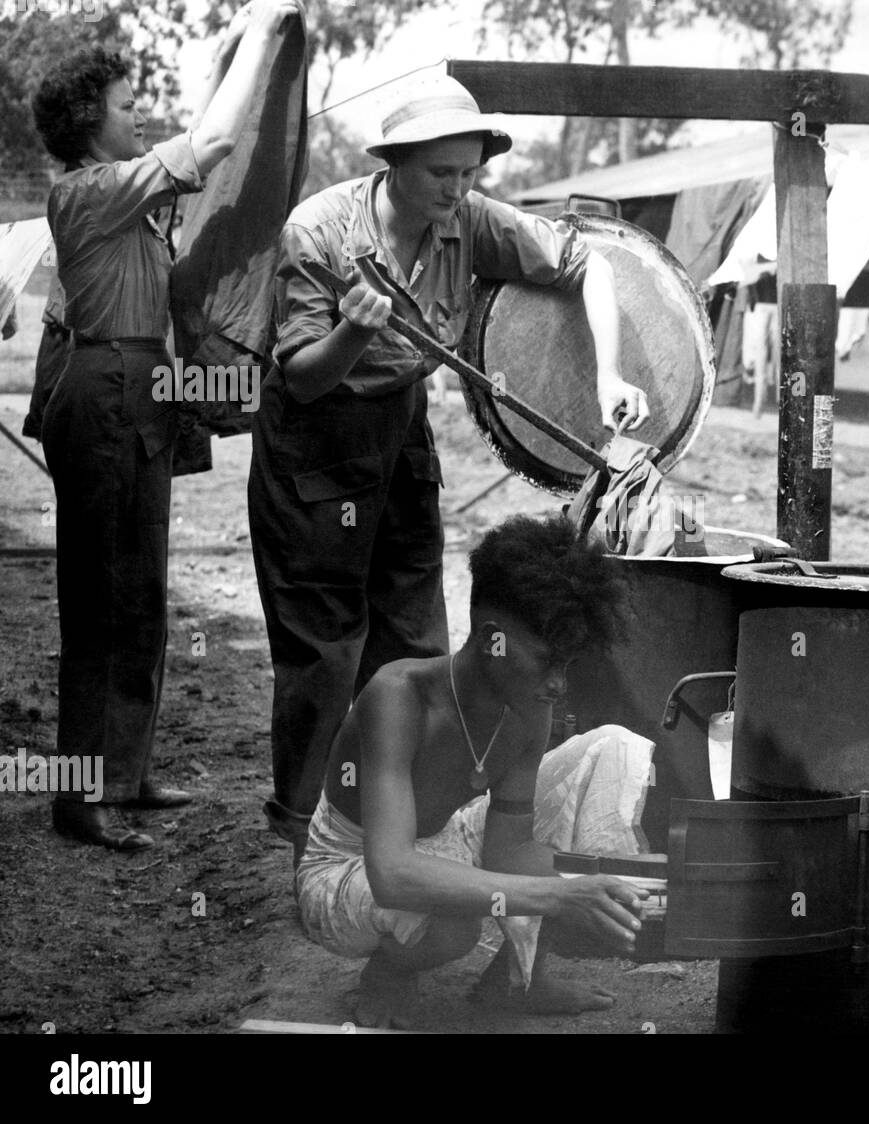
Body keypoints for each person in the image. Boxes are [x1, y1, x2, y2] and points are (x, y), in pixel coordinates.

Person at [249, 73, 651, 861]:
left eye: (470, 174)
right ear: (395, 163)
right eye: (442, 173)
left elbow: (587, 265)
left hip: (400, 430)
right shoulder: (318, 232)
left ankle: (411, 815)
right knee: (324, 650)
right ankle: (302, 828)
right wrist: (356, 333)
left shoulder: (467, 219)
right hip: (316, 438)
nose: (458, 189)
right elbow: (301, 375)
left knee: (414, 633)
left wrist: (609, 376)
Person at [32, 2, 300, 851]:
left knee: (140, 592)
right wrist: (260, 35)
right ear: (86, 122)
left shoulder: (130, 204)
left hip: (139, 389)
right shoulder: (85, 194)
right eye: (123, 104)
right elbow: (213, 144)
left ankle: (125, 774)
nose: (138, 113)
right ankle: (78, 797)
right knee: (100, 600)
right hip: (105, 390)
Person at [296, 514, 655, 1028]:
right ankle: (390, 968)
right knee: (456, 925)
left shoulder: (530, 709)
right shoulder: (398, 697)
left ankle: (515, 977)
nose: (558, 685)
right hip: (351, 866)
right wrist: (561, 894)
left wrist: (624, 879)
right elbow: (393, 874)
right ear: (492, 640)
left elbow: (508, 851)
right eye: (547, 661)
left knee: (611, 751)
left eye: (568, 666)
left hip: (445, 841)